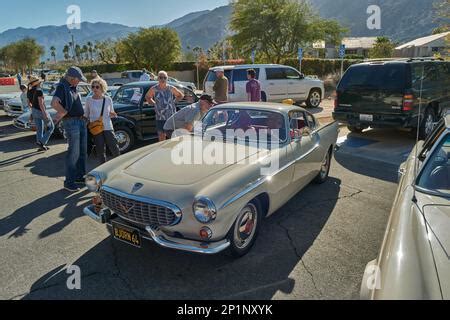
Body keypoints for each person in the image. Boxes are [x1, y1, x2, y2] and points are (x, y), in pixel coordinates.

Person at [51, 66, 88, 192]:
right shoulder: (62, 86)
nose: (79, 81)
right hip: (72, 122)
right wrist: (64, 112)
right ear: (72, 78)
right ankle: (69, 182)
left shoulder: (72, 86)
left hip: (80, 121)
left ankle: (79, 176)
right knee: (74, 153)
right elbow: (54, 103)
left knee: (82, 151)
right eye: (78, 79)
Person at [85, 78, 120, 164]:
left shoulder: (108, 99)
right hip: (96, 128)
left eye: (97, 87)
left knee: (114, 147)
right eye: (93, 87)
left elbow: (111, 112)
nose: (95, 89)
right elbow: (86, 114)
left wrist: (113, 114)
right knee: (100, 150)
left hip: (107, 126)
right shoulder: (89, 100)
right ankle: (103, 167)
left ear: (102, 88)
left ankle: (120, 164)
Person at [145, 71, 184, 142]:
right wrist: (154, 103)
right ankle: (163, 150)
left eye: (165, 77)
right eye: (161, 77)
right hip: (160, 117)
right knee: (161, 135)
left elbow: (180, 95)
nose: (163, 79)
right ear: (158, 79)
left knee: (172, 135)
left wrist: (174, 102)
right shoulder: (154, 89)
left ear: (167, 79)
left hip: (171, 116)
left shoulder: (171, 88)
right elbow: (147, 97)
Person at [28, 76, 55, 152]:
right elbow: (41, 103)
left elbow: (29, 103)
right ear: (38, 83)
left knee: (39, 129)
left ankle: (41, 146)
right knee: (51, 127)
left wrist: (32, 113)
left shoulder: (31, 91)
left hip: (34, 111)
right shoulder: (39, 91)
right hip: (40, 111)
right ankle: (42, 143)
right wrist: (44, 113)